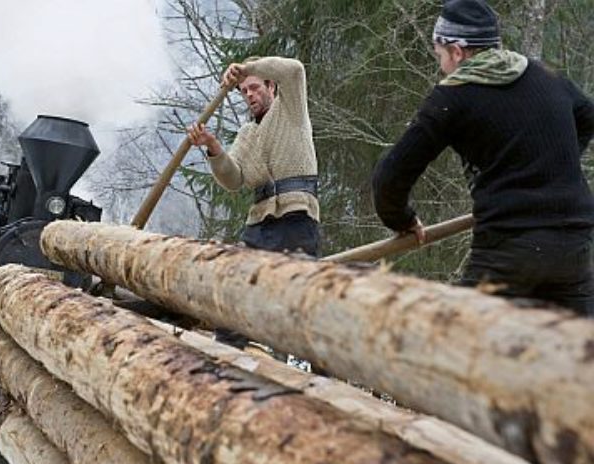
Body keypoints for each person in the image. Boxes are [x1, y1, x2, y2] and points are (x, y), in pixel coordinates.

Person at [371, 0, 594, 316]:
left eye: (440, 55)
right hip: (573, 248)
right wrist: (551, 167)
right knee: (577, 354)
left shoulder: (453, 96)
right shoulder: (545, 76)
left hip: (507, 251)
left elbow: (390, 177)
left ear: (457, 51)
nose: (441, 66)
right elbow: (587, 116)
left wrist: (402, 220)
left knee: (452, 342)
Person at [187, 56, 320, 257]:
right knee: (243, 278)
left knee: (289, 279)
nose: (249, 94)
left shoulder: (291, 108)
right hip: (257, 225)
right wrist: (212, 146)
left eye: (255, 87)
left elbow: (295, 70)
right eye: (244, 91)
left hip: (297, 217)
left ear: (271, 86)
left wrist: (246, 69)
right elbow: (233, 180)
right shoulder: (246, 134)